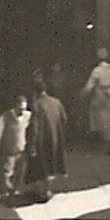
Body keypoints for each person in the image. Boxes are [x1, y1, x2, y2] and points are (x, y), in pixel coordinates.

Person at [27, 71, 68, 202]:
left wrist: (32, 144)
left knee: (41, 165)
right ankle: (49, 189)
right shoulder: (56, 102)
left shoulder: (36, 105)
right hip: (55, 138)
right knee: (52, 164)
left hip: (41, 140)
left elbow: (34, 126)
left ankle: (42, 191)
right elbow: (64, 119)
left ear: (35, 93)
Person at [80, 47, 110, 154]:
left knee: (101, 118)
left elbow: (90, 85)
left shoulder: (97, 70)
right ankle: (107, 141)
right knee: (108, 116)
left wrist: (83, 93)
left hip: (100, 94)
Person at [0, 91, 30, 202]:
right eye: (20, 109)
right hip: (8, 152)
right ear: (16, 106)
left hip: (21, 151)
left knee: (19, 176)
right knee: (5, 176)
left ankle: (13, 195)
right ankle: (4, 196)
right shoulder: (5, 117)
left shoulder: (28, 116)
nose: (22, 112)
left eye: (24, 109)